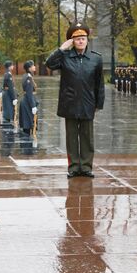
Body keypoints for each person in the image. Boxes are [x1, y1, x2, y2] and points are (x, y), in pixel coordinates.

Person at [45, 23, 104, 178]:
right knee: (71, 138)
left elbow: (99, 83)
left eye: (83, 38)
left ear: (87, 40)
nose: (80, 41)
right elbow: (49, 64)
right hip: (69, 103)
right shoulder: (65, 57)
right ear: (72, 41)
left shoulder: (95, 59)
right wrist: (61, 49)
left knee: (87, 137)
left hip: (88, 103)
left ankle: (85, 167)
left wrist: (99, 103)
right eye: (77, 39)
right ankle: (73, 167)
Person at [19, 60, 39, 135]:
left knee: (27, 124)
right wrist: (33, 106)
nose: (34, 67)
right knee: (27, 124)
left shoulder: (28, 76)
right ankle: (26, 144)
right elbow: (29, 93)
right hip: (28, 102)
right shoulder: (28, 77)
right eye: (33, 65)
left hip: (27, 101)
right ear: (29, 68)